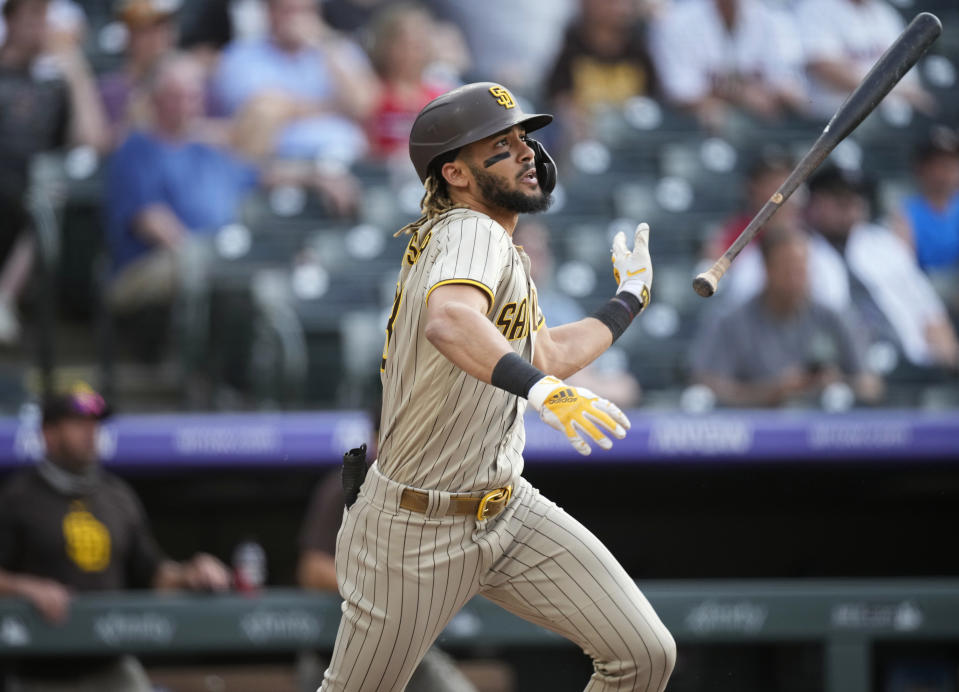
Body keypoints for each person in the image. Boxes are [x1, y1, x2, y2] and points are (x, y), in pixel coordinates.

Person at [318, 81, 674, 691]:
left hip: (507, 511)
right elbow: (449, 319)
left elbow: (550, 352)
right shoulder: (470, 231)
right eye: (501, 145)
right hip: (415, 527)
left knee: (644, 654)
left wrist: (627, 299)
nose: (527, 151)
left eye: (524, 139)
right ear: (454, 172)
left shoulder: (499, 249)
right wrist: (541, 393)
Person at [0, 383, 231, 691]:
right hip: (41, 669)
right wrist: (26, 587)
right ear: (49, 433)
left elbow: (152, 572)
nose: (90, 433)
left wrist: (191, 572)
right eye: (78, 424)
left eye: (95, 424)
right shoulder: (18, 497)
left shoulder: (116, 494)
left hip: (109, 662)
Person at [0, 0, 107, 344]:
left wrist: (75, 69)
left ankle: (3, 299)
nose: (41, 25)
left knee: (50, 197)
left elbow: (92, 141)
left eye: (45, 16)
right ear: (10, 20)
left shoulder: (54, 85)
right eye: (32, 15)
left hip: (34, 193)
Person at [690, 224, 883, 407]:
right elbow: (706, 386)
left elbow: (871, 386)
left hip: (824, 428)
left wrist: (838, 383)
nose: (796, 277)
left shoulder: (832, 316)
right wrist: (773, 391)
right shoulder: (732, 320)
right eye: (787, 268)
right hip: (757, 430)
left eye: (801, 267)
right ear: (767, 268)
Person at [803, 164, 959, 371]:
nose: (848, 205)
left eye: (855, 197)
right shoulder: (795, 252)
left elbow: (930, 312)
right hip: (841, 371)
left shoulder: (884, 244)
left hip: (910, 366)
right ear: (813, 201)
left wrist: (947, 354)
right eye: (837, 197)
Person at [212, 0, 379, 163]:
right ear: (269, 12)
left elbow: (364, 105)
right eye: (289, 11)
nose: (298, 19)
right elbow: (260, 111)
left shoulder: (339, 50)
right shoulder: (242, 55)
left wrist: (325, 45)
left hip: (344, 159)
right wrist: (335, 107)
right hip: (276, 165)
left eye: (307, 10)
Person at [513, 219, 641, 408]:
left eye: (541, 252)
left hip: (567, 389)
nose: (535, 261)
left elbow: (586, 371)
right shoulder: (495, 304)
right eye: (528, 251)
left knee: (625, 387)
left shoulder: (562, 307)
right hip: (519, 398)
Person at [649, 0, 805, 132]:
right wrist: (742, 94)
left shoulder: (768, 16)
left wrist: (778, 93)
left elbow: (786, 82)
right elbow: (682, 92)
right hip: (690, 127)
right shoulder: (675, 21)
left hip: (764, 122)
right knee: (716, 117)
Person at [794, 0, 934, 121]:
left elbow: (907, 68)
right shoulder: (816, 7)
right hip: (835, 117)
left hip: (890, 114)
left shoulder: (884, 12)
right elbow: (824, 67)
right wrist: (893, 92)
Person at [545, 0, 659, 146]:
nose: (621, 9)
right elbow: (559, 96)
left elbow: (651, 98)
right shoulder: (569, 47)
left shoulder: (640, 48)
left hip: (631, 142)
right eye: (611, 3)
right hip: (584, 141)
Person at [97, 0, 180, 145]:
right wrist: (130, 122)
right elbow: (102, 147)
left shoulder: (190, 87)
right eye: (143, 31)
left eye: (161, 28)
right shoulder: (110, 91)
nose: (155, 38)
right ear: (129, 36)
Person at [889, 126, 959, 279]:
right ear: (920, 168)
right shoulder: (904, 213)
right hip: (924, 293)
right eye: (937, 164)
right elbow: (904, 270)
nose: (946, 172)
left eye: (951, 163)